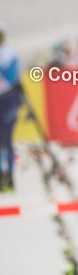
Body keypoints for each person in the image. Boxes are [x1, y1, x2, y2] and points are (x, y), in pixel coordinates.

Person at [0, 23, 22, 192]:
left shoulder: (10, 56)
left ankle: (10, 175)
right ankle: (2, 174)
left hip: (7, 103)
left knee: (7, 141)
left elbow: (14, 80)